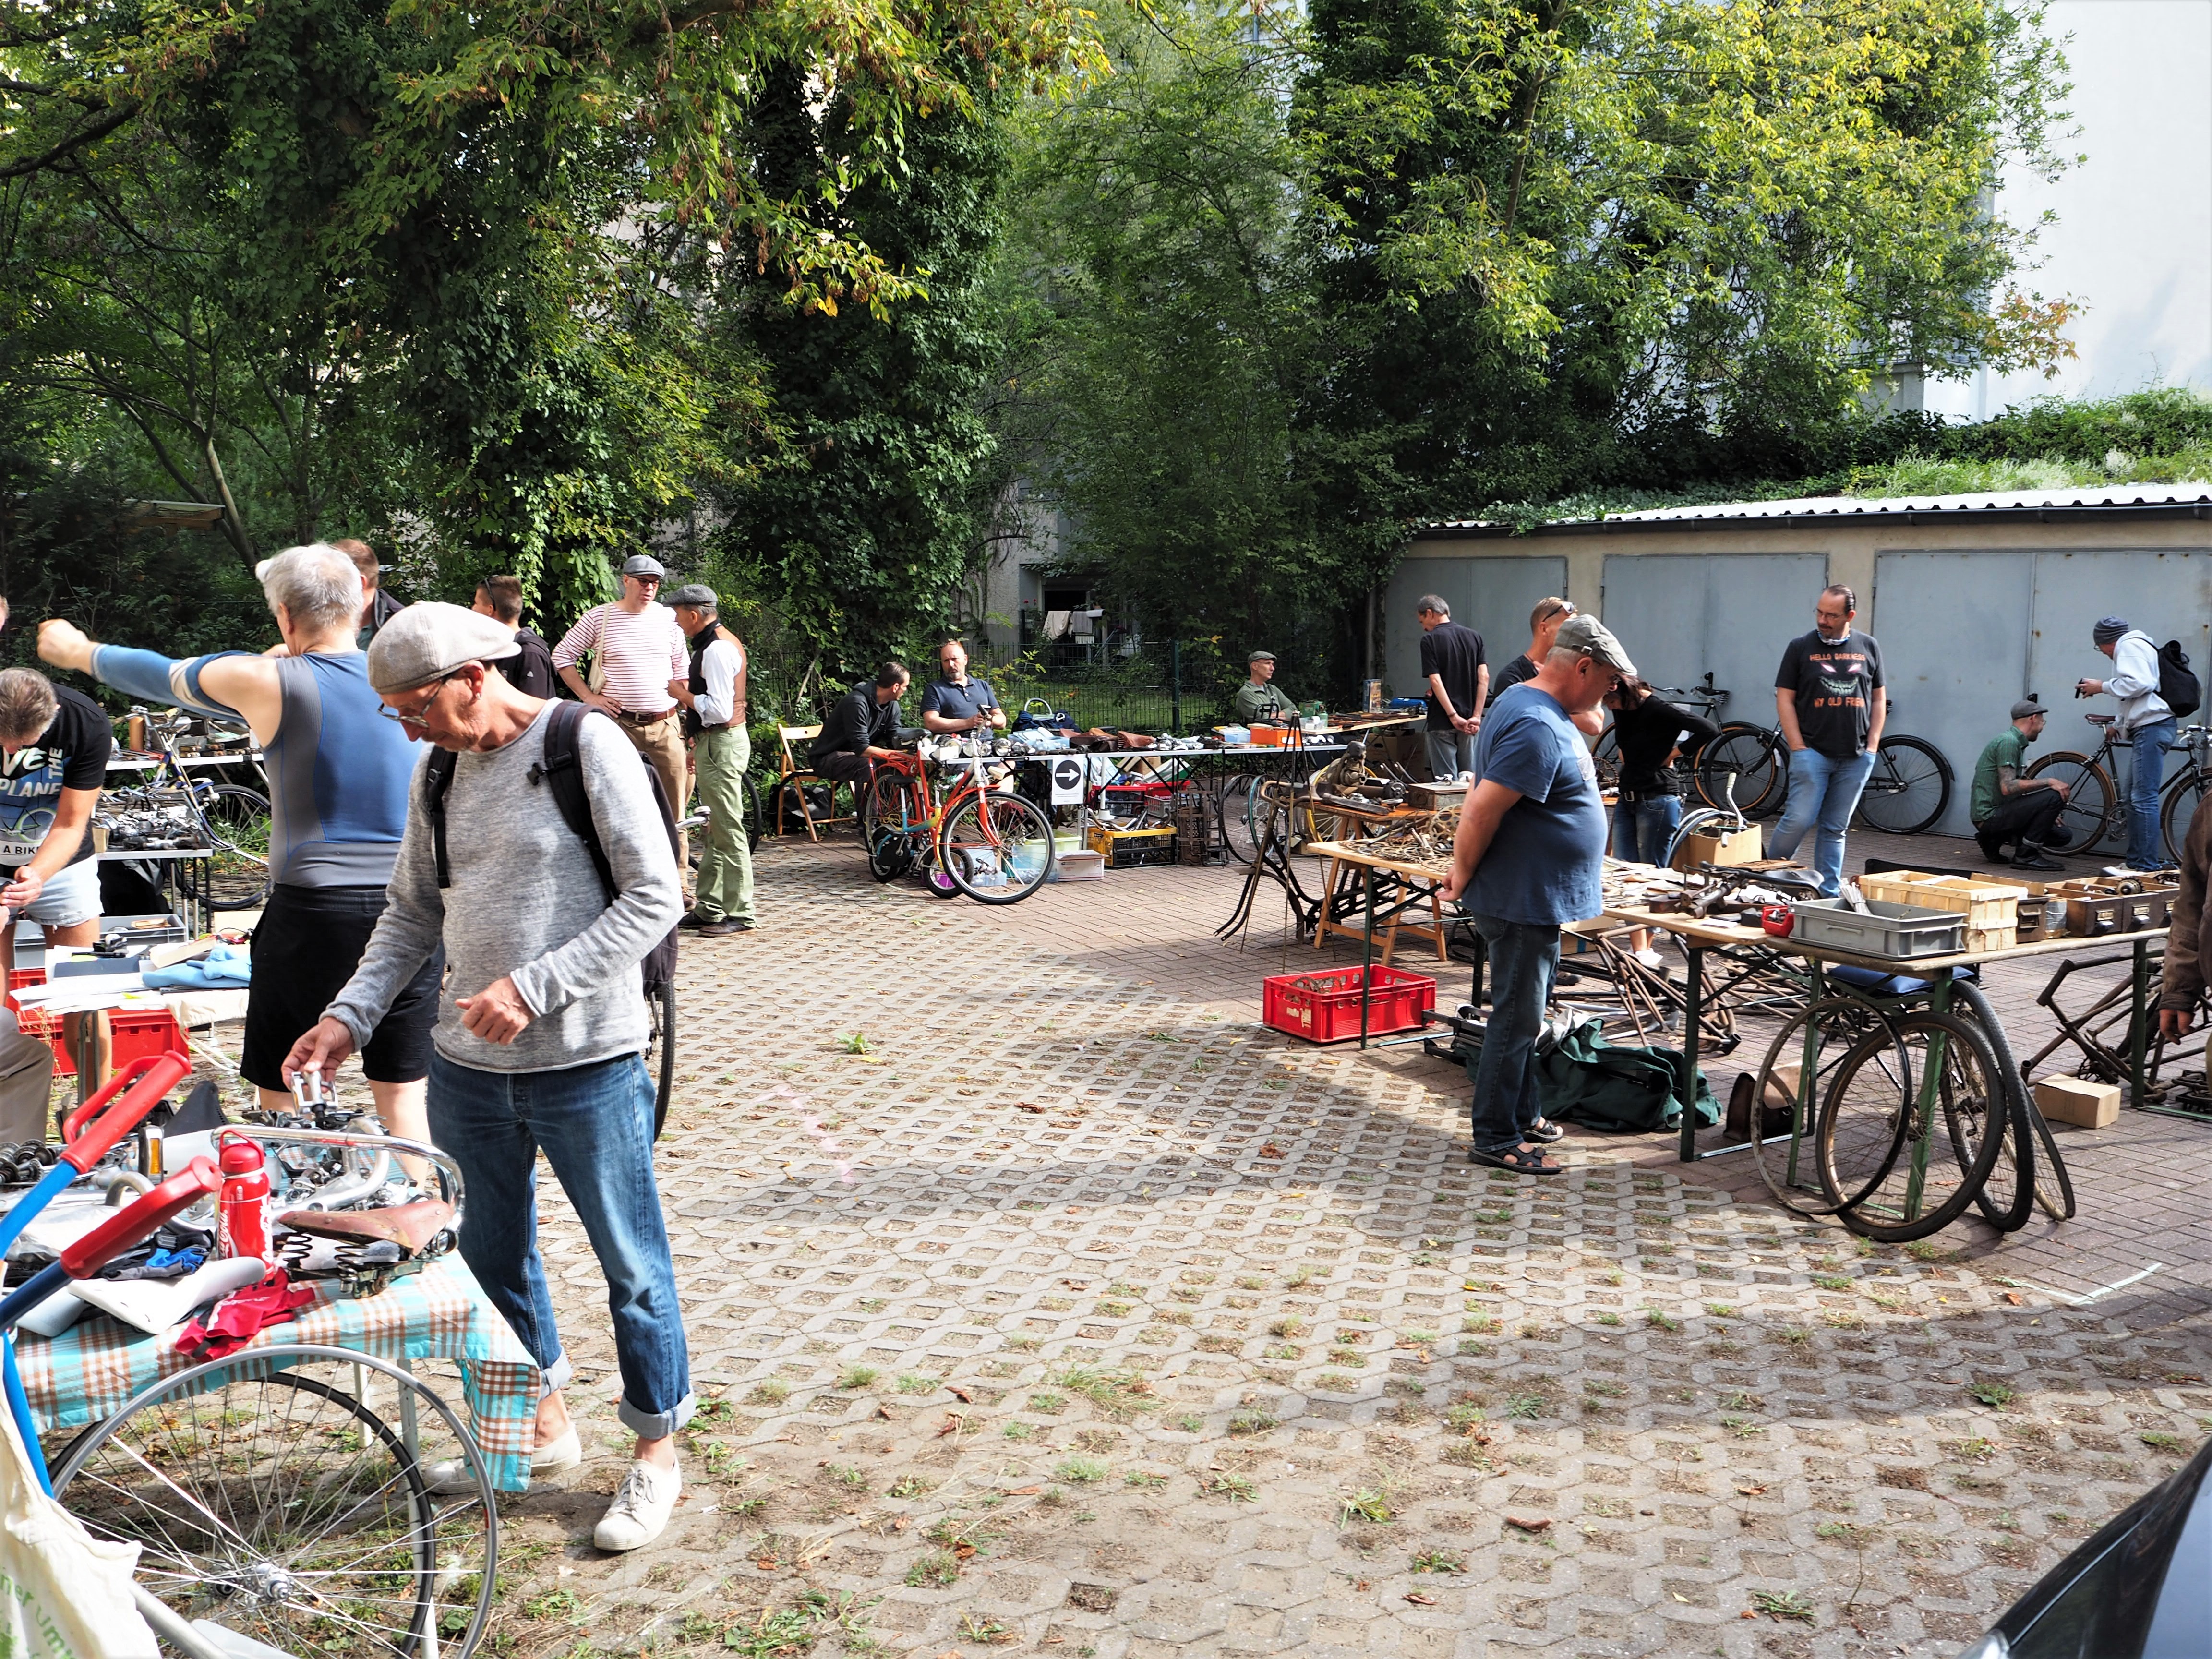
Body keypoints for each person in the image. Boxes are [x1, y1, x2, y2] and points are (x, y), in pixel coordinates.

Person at [282, 603, 691, 1553]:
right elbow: (409, 912)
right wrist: (347, 1017)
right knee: (489, 1263)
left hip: (588, 1064)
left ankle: (656, 1455)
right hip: (467, 1072)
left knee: (633, 1269)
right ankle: (540, 1430)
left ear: (473, 677)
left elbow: (656, 896)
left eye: (415, 707)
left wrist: (535, 986)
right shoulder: (438, 770)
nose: (406, 729)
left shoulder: (584, 744)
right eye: (394, 713)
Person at [42, 545, 439, 1144]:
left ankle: (290, 1192)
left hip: (315, 912)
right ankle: (424, 1199)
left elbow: (160, 673)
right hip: (413, 909)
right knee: (404, 1098)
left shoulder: (268, 679)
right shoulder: (409, 680)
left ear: (285, 615)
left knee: (285, 1093)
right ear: (362, 602)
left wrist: (78, 651)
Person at [1439, 614, 1631, 1175]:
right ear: (1583, 666)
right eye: (1608, 681)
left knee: (1526, 1015)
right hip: (1523, 897)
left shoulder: (1529, 703)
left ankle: (1523, 1114)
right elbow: (1480, 809)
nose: (1608, 694)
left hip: (1531, 895)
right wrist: (1461, 874)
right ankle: (1496, 1136)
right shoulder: (1536, 724)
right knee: (1516, 1021)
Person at [552, 553, 690, 838]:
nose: (649, 588)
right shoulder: (600, 618)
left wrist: (687, 717)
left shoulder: (669, 619)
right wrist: (589, 697)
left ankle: (676, 866)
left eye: (654, 583)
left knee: (675, 809)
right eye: (643, 581)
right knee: (619, 805)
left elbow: (682, 670)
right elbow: (562, 656)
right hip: (619, 726)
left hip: (666, 725)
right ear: (626, 580)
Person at [1767, 585, 1884, 898]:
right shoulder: (1800, 647)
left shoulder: (1869, 646)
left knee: (1836, 828)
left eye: (1831, 615)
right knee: (1799, 820)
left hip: (1856, 756)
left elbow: (1878, 698)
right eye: (1819, 612)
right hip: (1813, 751)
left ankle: (1828, 894)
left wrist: (1872, 747)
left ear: (1850, 615)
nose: (1822, 620)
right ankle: (1768, 876)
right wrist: (1798, 747)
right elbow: (1784, 698)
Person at [0, 666, 109, 986]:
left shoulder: (86, 723)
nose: (10, 751)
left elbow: (71, 824)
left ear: (54, 713)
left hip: (62, 860)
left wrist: (37, 875)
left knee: (81, 985)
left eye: (23, 743)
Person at [665, 585, 754, 937]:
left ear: (694, 615)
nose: (676, 622)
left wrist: (681, 694)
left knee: (728, 829)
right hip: (715, 742)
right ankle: (710, 908)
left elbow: (718, 709)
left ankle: (741, 912)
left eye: (678, 616)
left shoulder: (716, 649)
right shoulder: (718, 642)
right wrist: (698, 744)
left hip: (721, 742)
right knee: (714, 830)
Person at [2077, 616, 2177, 874]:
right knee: (2135, 798)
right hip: (2151, 727)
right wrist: (2119, 724)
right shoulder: (2138, 645)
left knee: (2143, 799)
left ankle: (2144, 865)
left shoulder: (2129, 646)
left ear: (2106, 642)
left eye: (2100, 648)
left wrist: (2101, 687)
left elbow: (2141, 684)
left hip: (2152, 727)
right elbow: (2134, 697)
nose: (2103, 653)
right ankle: (2135, 862)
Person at [1605, 676, 1721, 866]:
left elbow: (1709, 730)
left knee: (1650, 870)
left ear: (1625, 695)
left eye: (1611, 702)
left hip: (1656, 797)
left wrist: (1672, 755)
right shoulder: (1623, 709)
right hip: (1627, 797)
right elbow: (1626, 739)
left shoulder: (1660, 709)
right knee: (1622, 868)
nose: (1610, 708)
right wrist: (1624, 750)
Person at [1970, 698, 2069, 871]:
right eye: (2043, 722)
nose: (2043, 727)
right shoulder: (2009, 742)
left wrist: (2044, 812)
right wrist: (2049, 782)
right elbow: (2008, 787)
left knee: (2063, 836)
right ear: (2033, 719)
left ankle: (1991, 840)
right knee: (2054, 796)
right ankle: (2026, 856)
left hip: (1997, 814)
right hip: (1989, 817)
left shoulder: (2013, 742)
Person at [1416, 595, 1487, 781]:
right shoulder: (1475, 637)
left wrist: (1453, 715)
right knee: (1470, 781)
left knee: (1446, 786)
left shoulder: (1430, 640)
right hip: (1470, 720)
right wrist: (1477, 716)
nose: (1423, 627)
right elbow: (1484, 678)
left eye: (1422, 621)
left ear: (1430, 613)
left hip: (1442, 719)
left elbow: (1436, 681)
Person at [812, 664, 911, 789]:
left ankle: (897, 802)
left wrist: (909, 752)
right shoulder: (856, 702)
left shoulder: (892, 706)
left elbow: (894, 739)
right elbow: (862, 749)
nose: (906, 690)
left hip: (855, 755)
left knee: (900, 763)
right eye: (905, 686)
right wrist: (897, 754)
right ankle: (870, 803)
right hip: (826, 759)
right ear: (895, 687)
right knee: (866, 765)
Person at [473, 576, 558, 700]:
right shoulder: (491, 649)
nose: (473, 609)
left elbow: (534, 708)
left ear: (490, 610)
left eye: (476, 603)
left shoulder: (530, 654)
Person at [1491, 598, 1576, 696]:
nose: (1575, 634)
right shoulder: (1511, 678)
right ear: (1544, 629)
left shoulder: (1572, 674)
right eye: (1567, 628)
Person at [920, 641, 1004, 735]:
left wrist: (989, 720)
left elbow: (1002, 720)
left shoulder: (983, 685)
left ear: (965, 659)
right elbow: (931, 723)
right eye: (946, 661)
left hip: (988, 742)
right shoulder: (934, 689)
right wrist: (968, 723)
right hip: (955, 743)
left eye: (955, 659)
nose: (951, 664)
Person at [336, 538, 405, 646]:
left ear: (360, 582)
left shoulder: (401, 625)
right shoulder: (317, 617)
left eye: (333, 580)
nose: (324, 587)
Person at [1233, 651, 1296, 725]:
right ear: (1255, 666)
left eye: (1273, 664)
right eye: (1268, 664)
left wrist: (1272, 716)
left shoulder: (1272, 689)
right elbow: (1261, 719)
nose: (1272, 669)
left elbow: (1294, 710)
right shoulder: (1246, 693)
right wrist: (1282, 716)